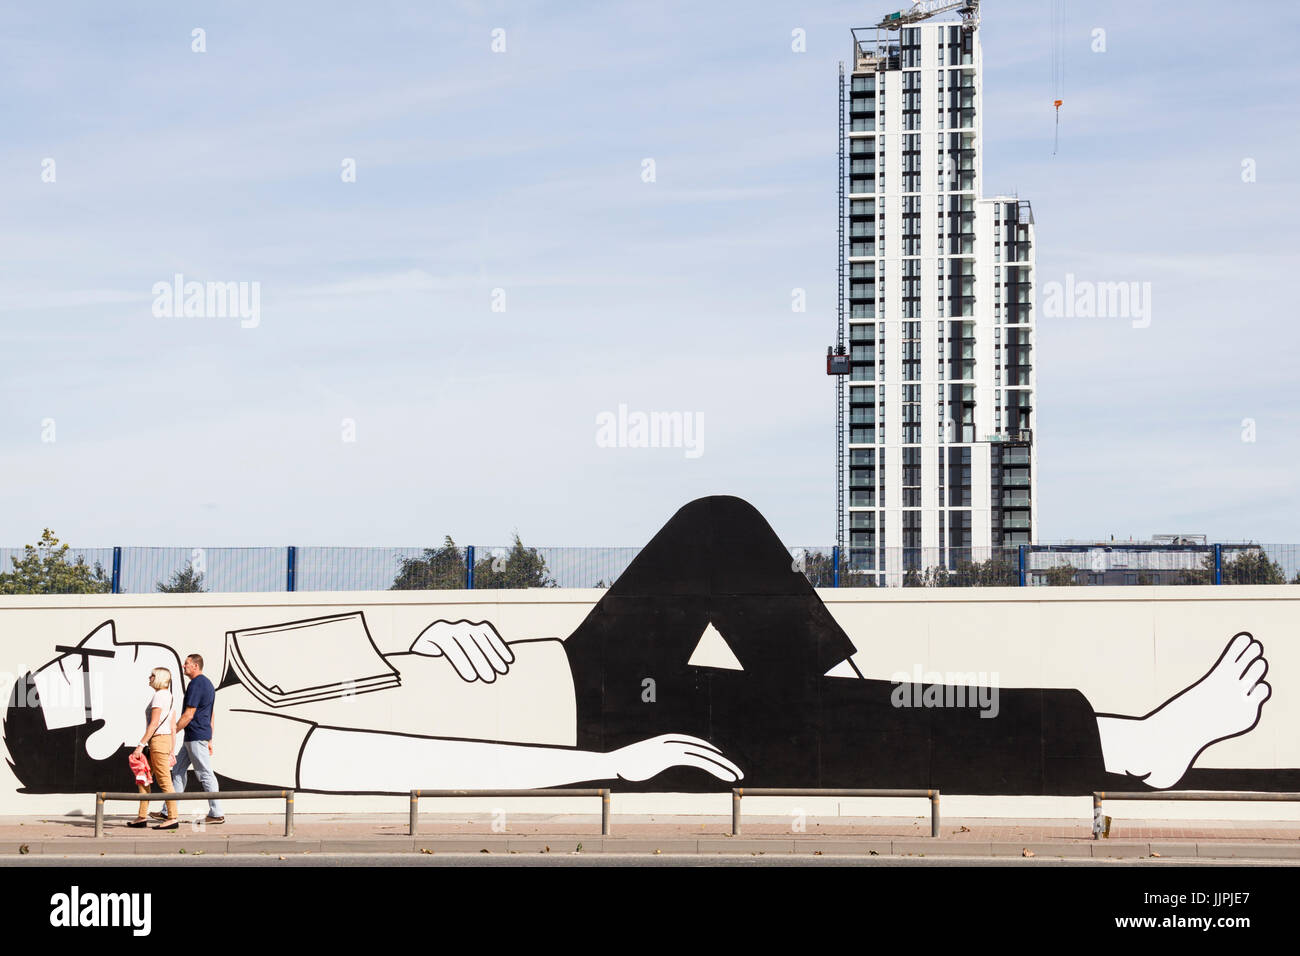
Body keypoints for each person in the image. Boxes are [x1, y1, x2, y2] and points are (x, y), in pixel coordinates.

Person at [4, 496, 1293, 797]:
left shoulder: (234, 672)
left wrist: (458, 634)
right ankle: (1128, 741)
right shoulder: (240, 738)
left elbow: (405, 693)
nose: (117, 643)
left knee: (717, 527)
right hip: (604, 721)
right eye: (91, 667)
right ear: (117, 740)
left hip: (573, 663)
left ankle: (860, 708)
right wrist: (612, 772)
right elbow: (411, 771)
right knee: (867, 713)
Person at [166, 654, 224, 824]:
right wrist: (210, 739)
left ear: (196, 666)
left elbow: (189, 714)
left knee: (205, 773)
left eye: (187, 664)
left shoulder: (196, 684)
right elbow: (210, 714)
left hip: (195, 737)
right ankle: (168, 810)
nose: (184, 666)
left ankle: (216, 813)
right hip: (195, 737)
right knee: (177, 771)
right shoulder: (208, 684)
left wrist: (172, 731)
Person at [127, 667, 179, 828]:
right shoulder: (169, 696)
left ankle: (173, 818)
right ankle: (142, 817)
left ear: (159, 678)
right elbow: (172, 727)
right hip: (164, 741)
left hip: (157, 742)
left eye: (152, 675)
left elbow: (154, 723)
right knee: (143, 777)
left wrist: (140, 746)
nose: (149, 677)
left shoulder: (158, 696)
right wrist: (172, 750)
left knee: (164, 781)